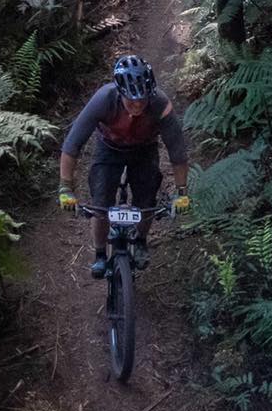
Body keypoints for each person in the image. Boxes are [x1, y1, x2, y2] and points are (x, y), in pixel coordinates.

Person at [58, 54, 191, 276]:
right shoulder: (103, 99)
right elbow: (72, 146)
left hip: (144, 150)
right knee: (101, 204)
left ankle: (140, 241)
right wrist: (65, 188)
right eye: (131, 101)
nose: (137, 105)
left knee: (146, 199)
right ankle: (100, 254)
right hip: (109, 148)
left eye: (142, 100)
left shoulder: (160, 105)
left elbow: (177, 152)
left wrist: (182, 192)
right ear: (120, 93)